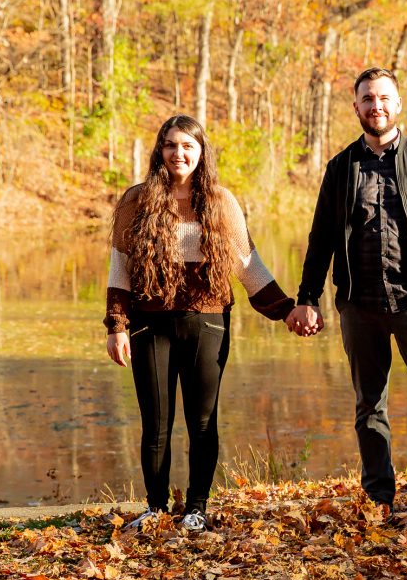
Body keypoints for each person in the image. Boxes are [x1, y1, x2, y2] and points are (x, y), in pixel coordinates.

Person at [286, 67, 407, 526]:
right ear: (356, 107)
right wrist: (308, 297)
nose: (377, 106)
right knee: (369, 405)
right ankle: (380, 499)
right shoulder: (340, 168)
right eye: (368, 99)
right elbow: (321, 238)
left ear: (398, 104)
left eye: (384, 97)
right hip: (361, 305)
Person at [105, 114, 295, 531]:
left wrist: (287, 310)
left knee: (202, 421)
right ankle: (155, 508)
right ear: (160, 150)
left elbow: (248, 265)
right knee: (155, 423)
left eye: (188, 146)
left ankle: (196, 509)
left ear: (201, 152)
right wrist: (116, 326)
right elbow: (120, 266)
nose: (179, 153)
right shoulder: (136, 201)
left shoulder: (221, 202)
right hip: (149, 325)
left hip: (207, 323)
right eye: (171, 145)